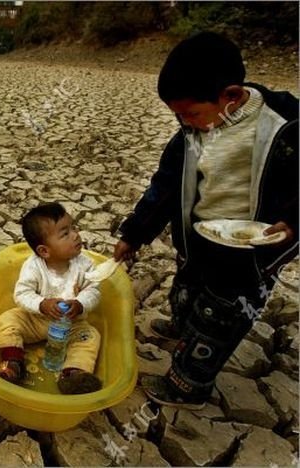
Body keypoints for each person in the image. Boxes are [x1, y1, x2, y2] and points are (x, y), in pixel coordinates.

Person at [114, 31, 298, 409]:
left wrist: (293, 222)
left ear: (230, 96)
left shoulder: (285, 127)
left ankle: (189, 385)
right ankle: (185, 327)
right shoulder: (191, 135)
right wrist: (135, 232)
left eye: (191, 113)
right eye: (178, 116)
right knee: (186, 294)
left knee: (219, 318)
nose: (185, 123)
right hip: (200, 239)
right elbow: (164, 188)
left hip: (252, 254)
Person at [0, 202, 103, 394]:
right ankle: (13, 362)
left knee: (90, 336)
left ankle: (73, 374)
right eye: (65, 234)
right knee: (7, 320)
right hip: (35, 320)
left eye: (73, 228)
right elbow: (22, 294)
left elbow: (94, 290)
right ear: (44, 251)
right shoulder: (33, 266)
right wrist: (41, 304)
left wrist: (80, 304)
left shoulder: (85, 264)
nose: (76, 235)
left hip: (71, 324)